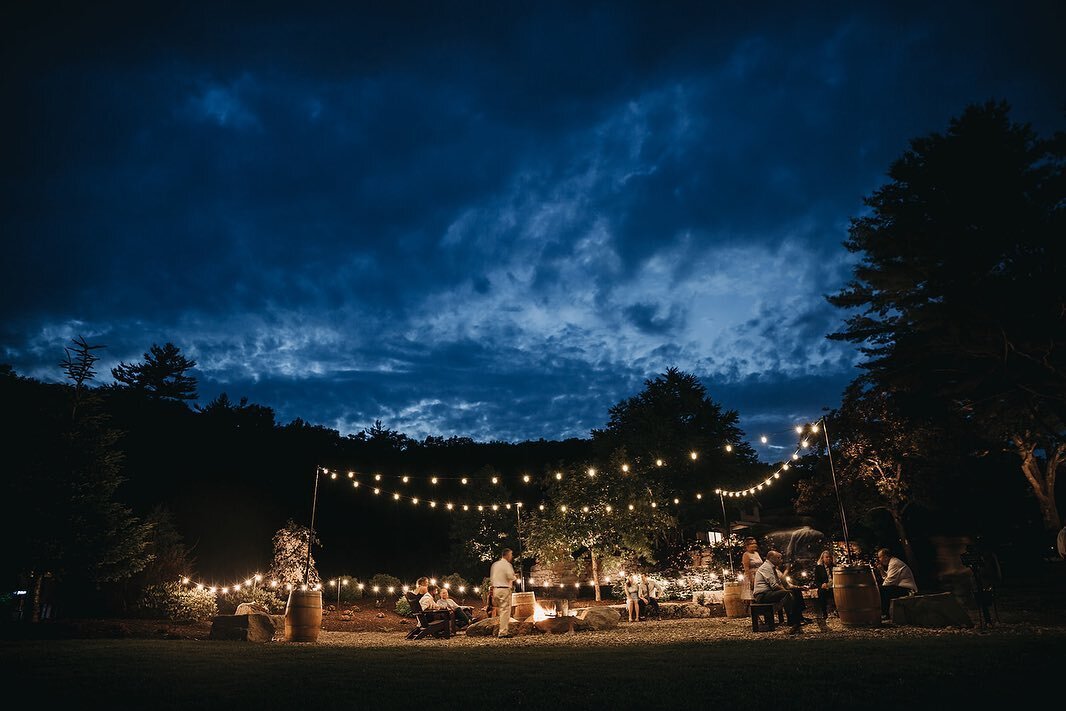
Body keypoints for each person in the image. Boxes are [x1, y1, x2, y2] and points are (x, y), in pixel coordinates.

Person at [752, 550, 807, 633]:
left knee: (795, 591)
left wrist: (798, 587)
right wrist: (786, 590)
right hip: (762, 595)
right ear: (771, 558)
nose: (781, 560)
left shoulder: (773, 568)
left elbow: (785, 584)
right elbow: (774, 586)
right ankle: (793, 621)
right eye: (778, 558)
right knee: (787, 593)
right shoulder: (766, 567)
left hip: (769, 593)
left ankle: (799, 617)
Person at [875, 548, 917, 619]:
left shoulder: (894, 563)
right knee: (883, 589)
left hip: (907, 589)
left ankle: (885, 613)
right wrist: (881, 570)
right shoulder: (892, 562)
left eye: (879, 557)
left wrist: (878, 590)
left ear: (885, 557)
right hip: (901, 587)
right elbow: (888, 577)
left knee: (881, 590)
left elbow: (889, 581)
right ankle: (886, 613)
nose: (879, 560)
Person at [489, 548, 516, 637]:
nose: (511, 556)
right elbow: (510, 576)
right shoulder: (507, 565)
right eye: (511, 555)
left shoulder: (495, 565)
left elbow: (492, 578)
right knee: (505, 611)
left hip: (496, 589)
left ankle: (499, 629)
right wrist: (514, 577)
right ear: (507, 555)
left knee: (500, 611)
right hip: (504, 589)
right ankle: (503, 632)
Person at [813, 550, 835, 618]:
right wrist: (821, 585)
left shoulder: (834, 566)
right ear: (822, 558)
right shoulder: (819, 568)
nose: (829, 558)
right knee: (821, 592)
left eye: (830, 557)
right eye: (826, 557)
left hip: (834, 585)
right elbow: (816, 580)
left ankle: (838, 610)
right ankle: (824, 612)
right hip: (825, 586)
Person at [740, 537, 763, 602]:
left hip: (759, 575)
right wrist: (751, 580)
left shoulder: (756, 553)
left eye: (755, 543)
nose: (755, 545)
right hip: (751, 576)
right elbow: (746, 569)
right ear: (747, 545)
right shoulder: (746, 555)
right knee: (752, 597)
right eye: (752, 543)